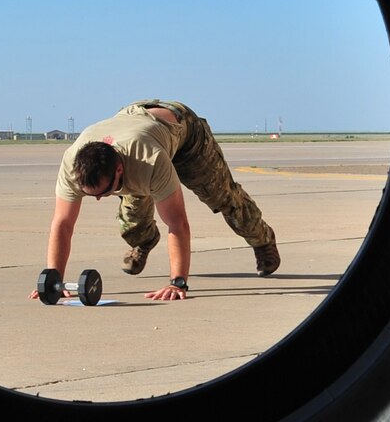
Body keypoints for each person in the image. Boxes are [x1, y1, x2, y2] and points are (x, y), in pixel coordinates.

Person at [36, 101, 279, 303]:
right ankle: (145, 241)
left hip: (185, 134)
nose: (99, 199)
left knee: (222, 197)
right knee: (131, 221)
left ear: (120, 170)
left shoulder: (149, 161)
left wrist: (178, 282)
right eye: (91, 194)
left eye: (105, 191)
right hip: (135, 124)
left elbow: (177, 223)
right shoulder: (72, 164)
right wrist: (53, 280)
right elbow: (62, 224)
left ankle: (263, 239)